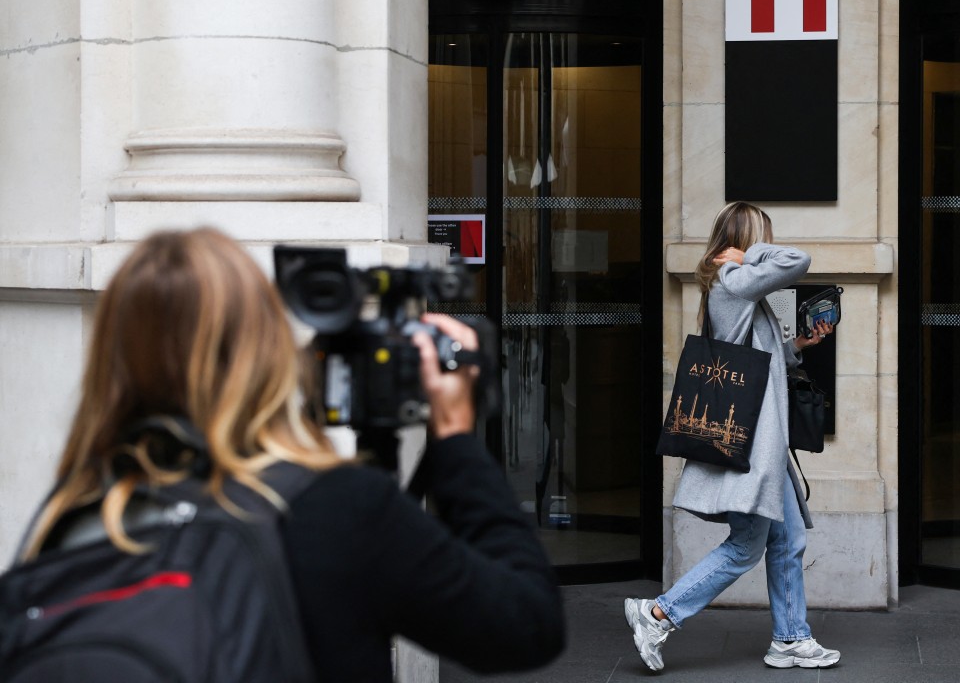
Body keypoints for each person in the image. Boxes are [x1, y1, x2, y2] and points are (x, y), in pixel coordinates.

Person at [16, 227, 565, 681]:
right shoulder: (338, 511)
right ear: (266, 349)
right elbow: (526, 625)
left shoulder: (73, 517)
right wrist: (457, 436)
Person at [625, 201, 839, 671]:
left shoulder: (738, 286)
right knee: (747, 546)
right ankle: (659, 613)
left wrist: (799, 345)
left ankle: (790, 638)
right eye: (762, 234)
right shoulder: (734, 279)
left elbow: (757, 357)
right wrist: (750, 253)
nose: (769, 242)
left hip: (766, 441)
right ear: (745, 238)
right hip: (753, 446)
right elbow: (796, 259)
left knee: (786, 541)